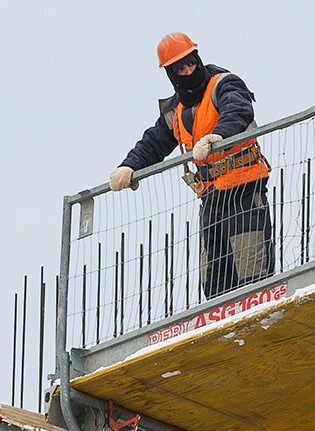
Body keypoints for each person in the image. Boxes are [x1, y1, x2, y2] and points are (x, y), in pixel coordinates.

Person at [109, 33, 274, 301]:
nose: (188, 71)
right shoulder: (175, 109)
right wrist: (130, 166)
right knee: (216, 284)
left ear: (198, 59)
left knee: (253, 277)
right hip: (211, 201)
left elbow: (238, 110)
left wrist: (217, 136)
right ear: (171, 75)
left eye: (191, 64)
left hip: (244, 192)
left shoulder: (224, 84)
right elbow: (154, 142)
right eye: (180, 69)